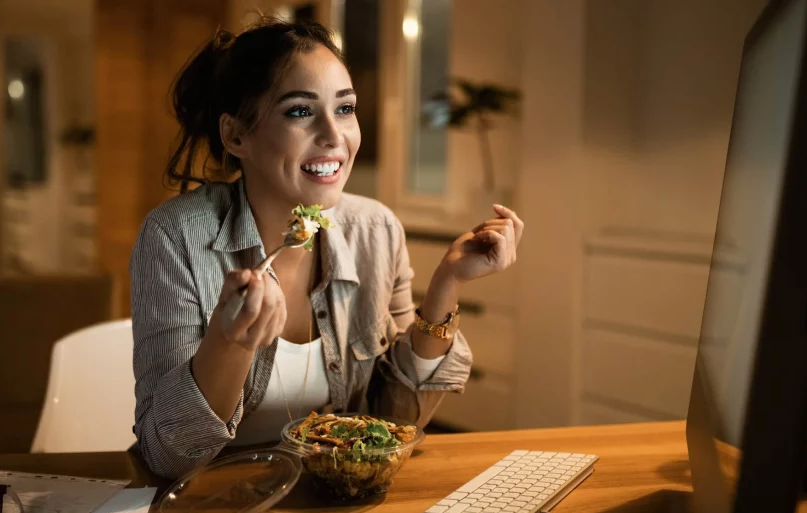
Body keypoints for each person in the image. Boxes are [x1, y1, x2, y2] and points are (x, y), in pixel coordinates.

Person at [130, 18, 524, 479]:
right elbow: (167, 457)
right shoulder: (174, 236)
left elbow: (393, 426)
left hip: (330, 500)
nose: (335, 135)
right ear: (237, 136)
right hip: (207, 506)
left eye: (345, 108)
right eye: (300, 111)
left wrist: (446, 287)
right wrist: (229, 343)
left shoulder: (375, 230)